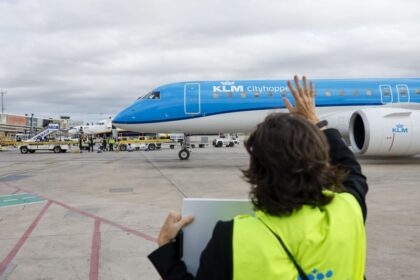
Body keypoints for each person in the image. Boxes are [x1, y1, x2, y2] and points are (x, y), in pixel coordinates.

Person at [148, 76, 368, 279]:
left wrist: (166, 249)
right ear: (321, 162)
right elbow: (351, 170)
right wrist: (314, 122)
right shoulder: (348, 212)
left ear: (254, 171)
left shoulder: (232, 238)